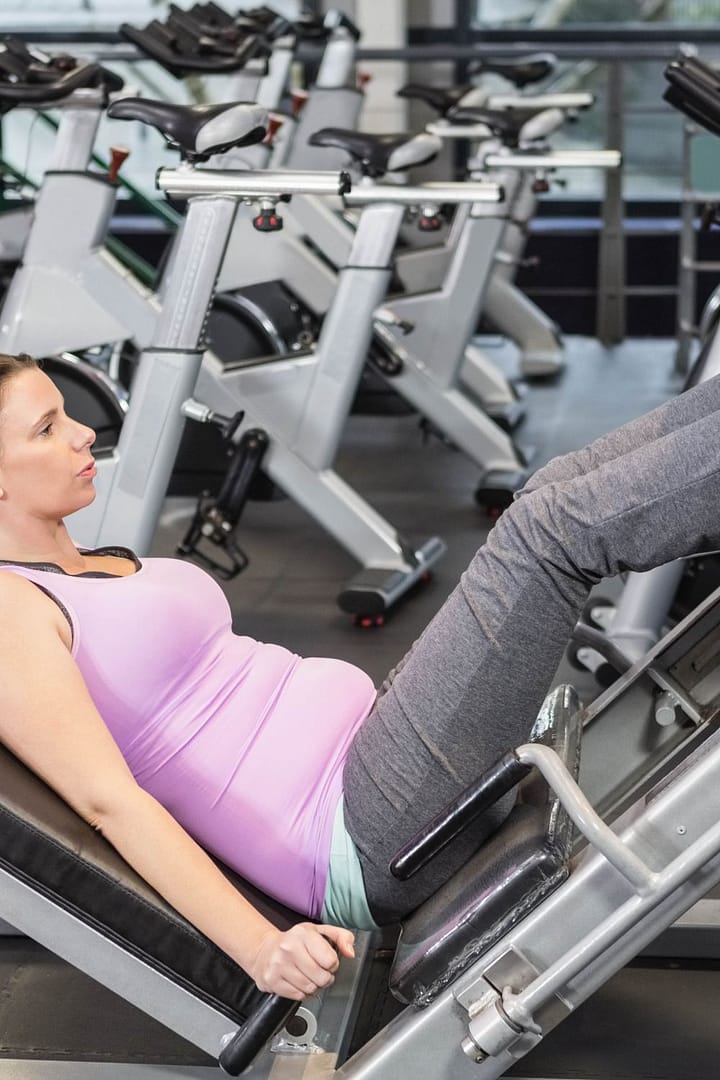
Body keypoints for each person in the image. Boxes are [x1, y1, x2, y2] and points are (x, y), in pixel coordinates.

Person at [0, 351, 719, 1002]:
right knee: (551, 533)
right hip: (365, 832)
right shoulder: (11, 610)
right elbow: (108, 802)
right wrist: (261, 948)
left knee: (549, 490)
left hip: (375, 758)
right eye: (46, 429)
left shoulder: (78, 560)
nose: (84, 434)